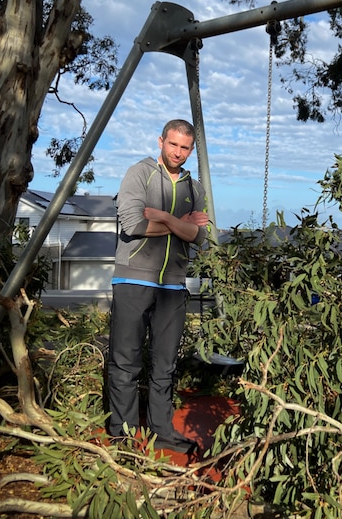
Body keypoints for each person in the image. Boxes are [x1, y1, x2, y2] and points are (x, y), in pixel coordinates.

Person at [107, 119, 209, 454]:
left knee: (165, 364)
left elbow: (201, 236)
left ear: (191, 149)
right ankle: (122, 435)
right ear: (161, 141)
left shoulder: (195, 189)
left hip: (173, 285)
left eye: (185, 148)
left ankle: (161, 432)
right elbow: (134, 224)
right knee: (126, 362)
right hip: (133, 278)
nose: (178, 152)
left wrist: (164, 217)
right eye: (173, 145)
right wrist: (181, 224)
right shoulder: (139, 173)